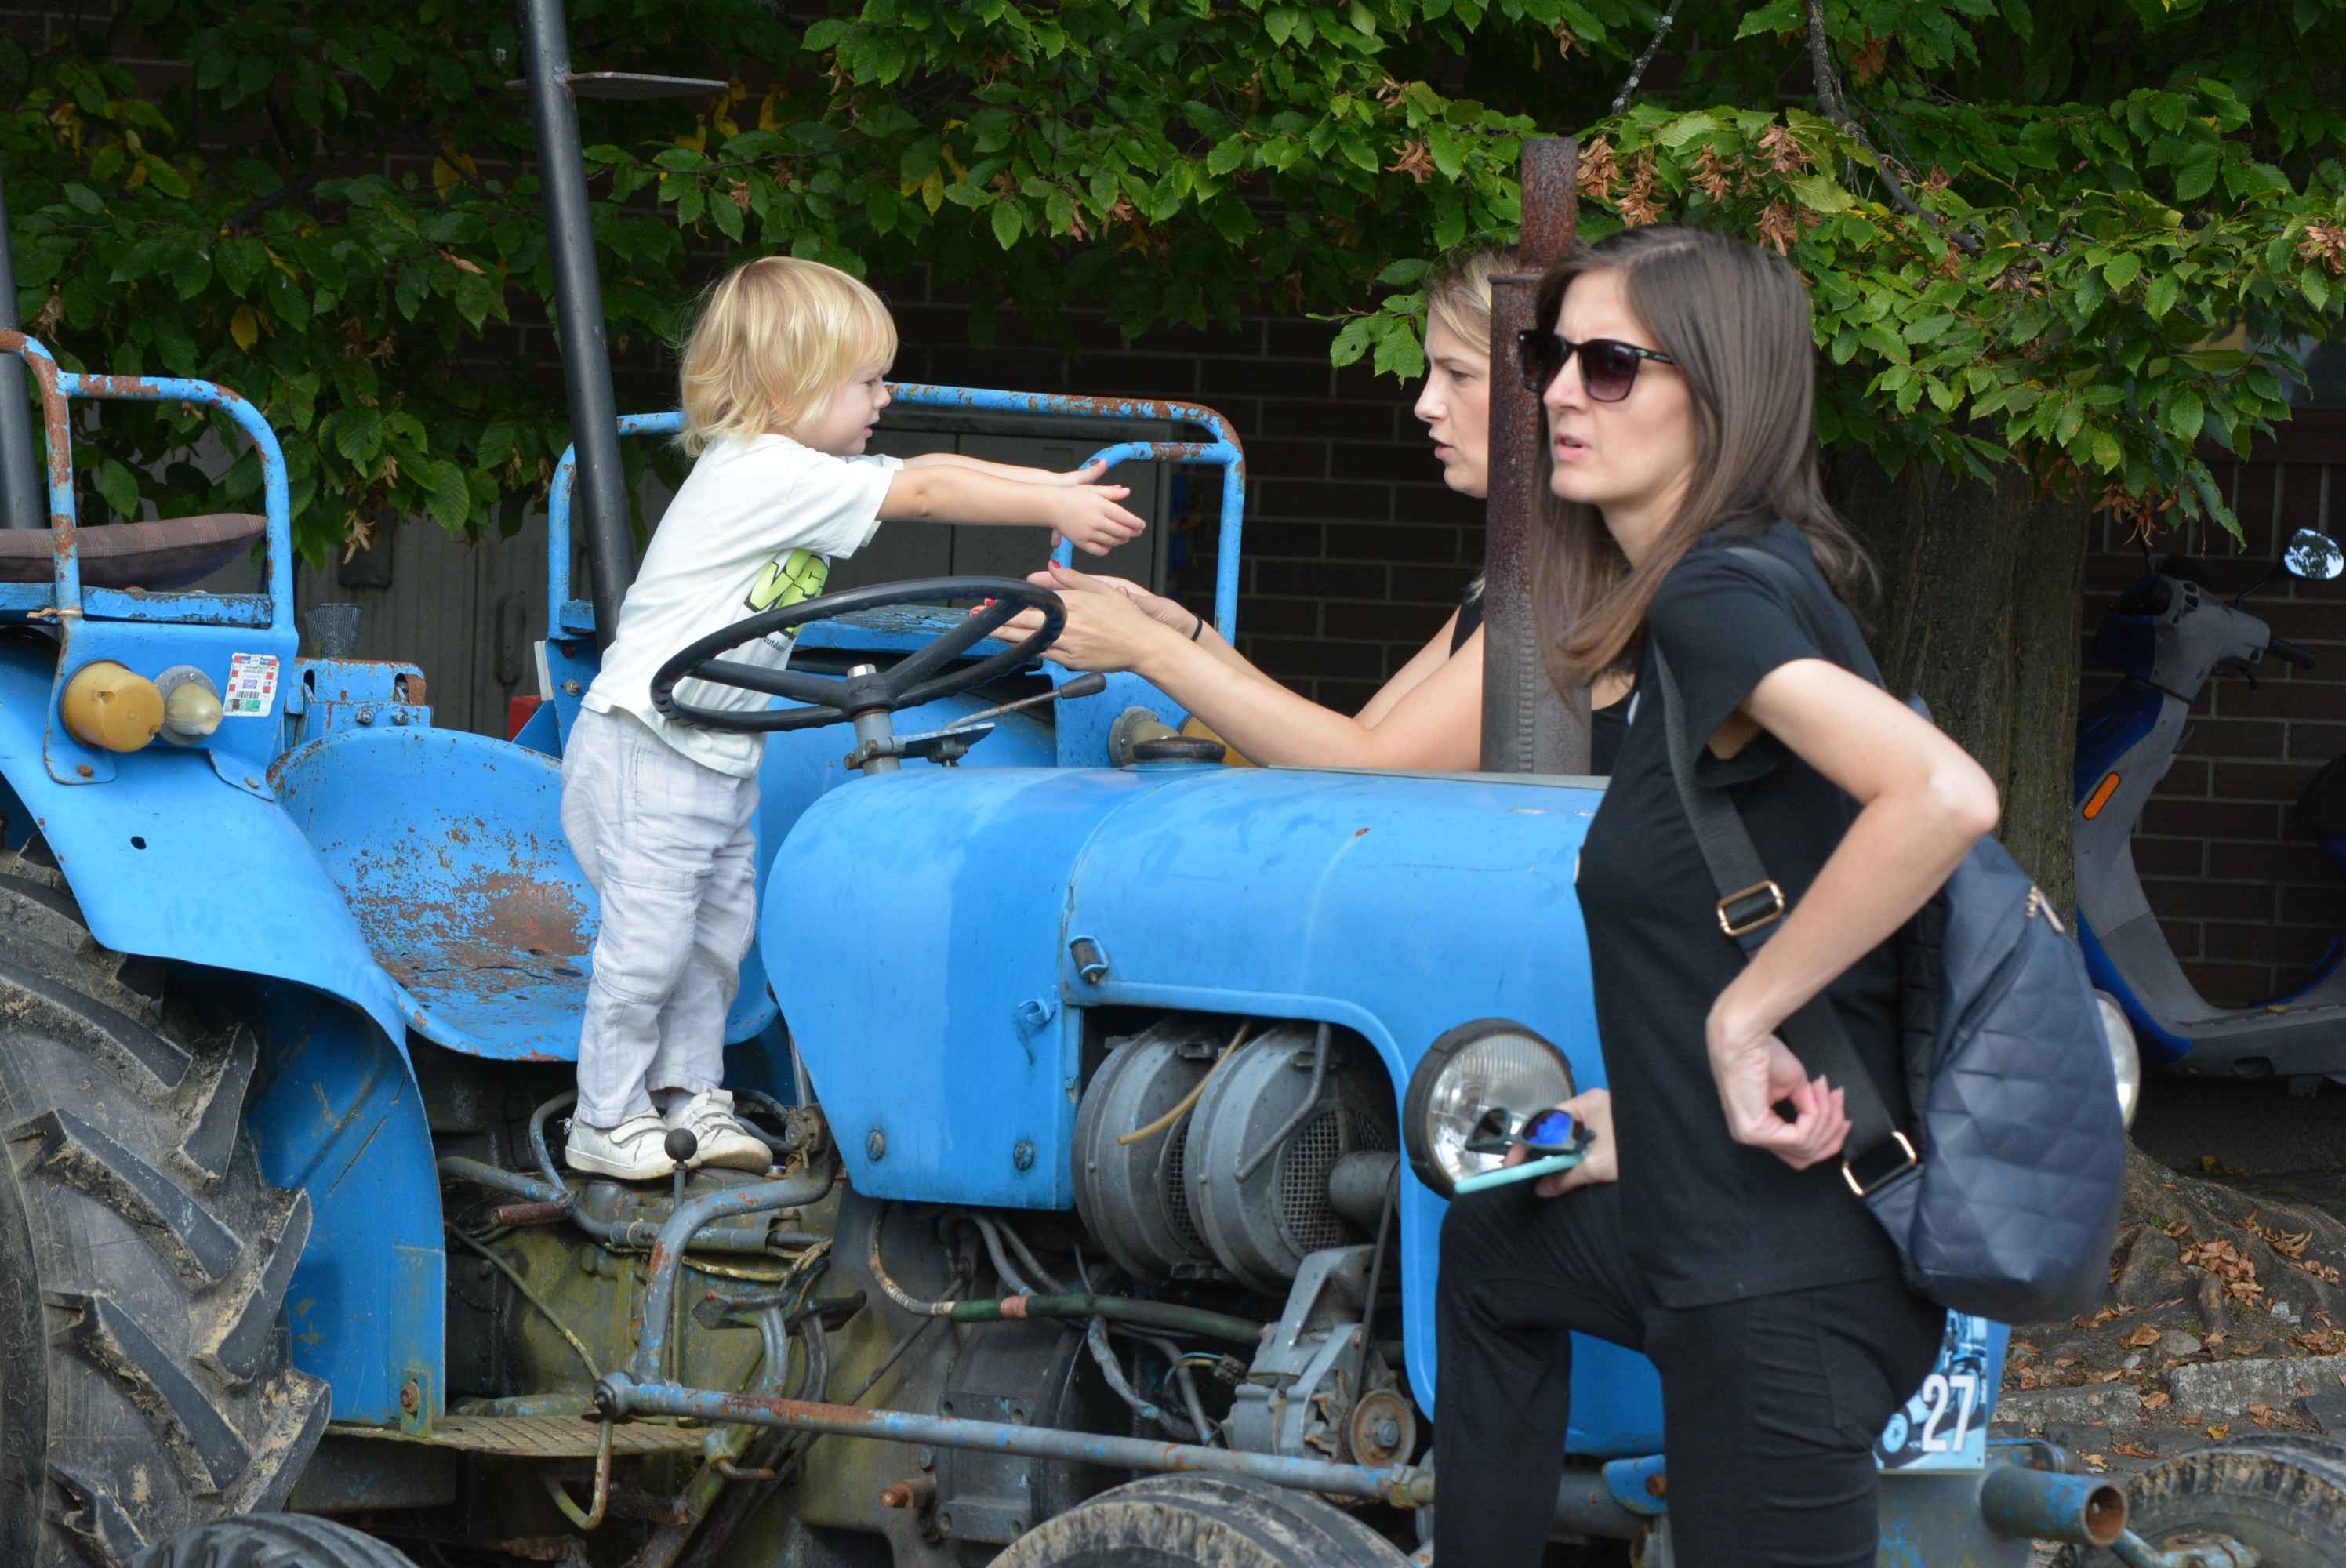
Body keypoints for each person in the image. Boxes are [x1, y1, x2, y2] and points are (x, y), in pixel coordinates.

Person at [1431, 225, 1999, 1566]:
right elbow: (1790, 875)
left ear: (1720, 392)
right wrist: (1654, 1108)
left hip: (1779, 1292)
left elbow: (1942, 797)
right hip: (1712, 1233)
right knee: (1494, 1246)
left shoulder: (1714, 596)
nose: (1559, 392)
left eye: (1611, 365)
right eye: (1548, 355)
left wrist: (1738, 1028)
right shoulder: (1726, 593)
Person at [561, 256, 1146, 1181]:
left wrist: (1049, 481)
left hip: (711, 750)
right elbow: (920, 493)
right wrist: (1049, 504)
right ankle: (604, 1116)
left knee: (716, 938)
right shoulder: (759, 472)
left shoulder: (793, 465)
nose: (886, 394)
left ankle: (685, 1097)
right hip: (648, 744)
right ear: (790, 386)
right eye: (867, 380)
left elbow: (927, 468)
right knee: (650, 943)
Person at [993, 246, 1632, 771]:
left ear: (1549, 393)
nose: (1425, 404)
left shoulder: (1579, 581)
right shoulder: (1524, 574)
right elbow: (1352, 741)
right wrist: (1179, 633)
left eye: (1458, 375)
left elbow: (1373, 769)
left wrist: (1146, 651)